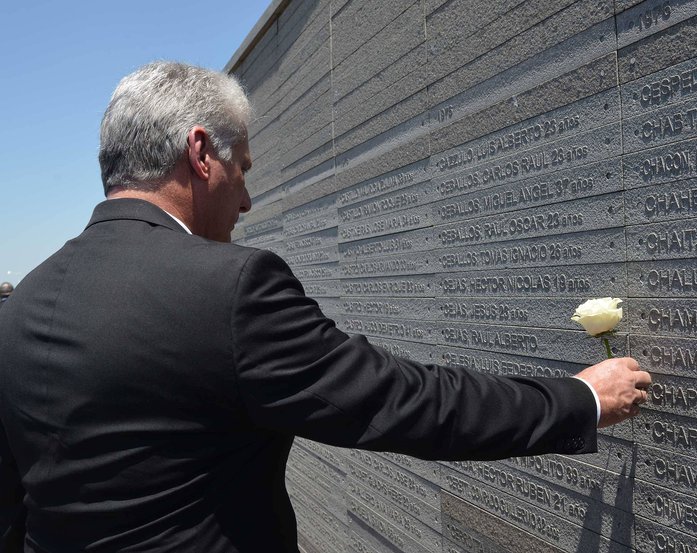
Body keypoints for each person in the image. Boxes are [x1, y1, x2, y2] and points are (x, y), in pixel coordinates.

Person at [0, 62, 651, 552]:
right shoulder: (229, 288)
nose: (248, 200)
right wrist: (577, 399)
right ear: (200, 153)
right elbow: (404, 401)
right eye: (243, 169)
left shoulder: (23, 306)